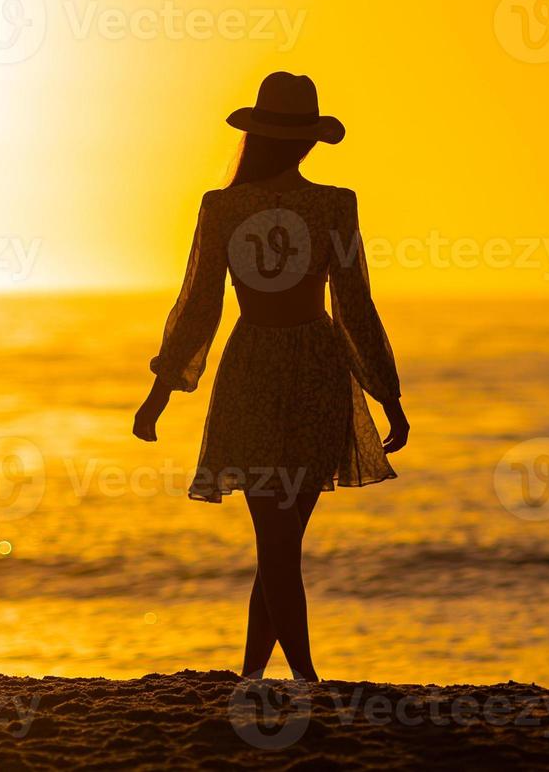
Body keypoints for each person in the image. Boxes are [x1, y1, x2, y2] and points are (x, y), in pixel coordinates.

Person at [132, 71, 410, 682]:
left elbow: (199, 307)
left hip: (252, 368)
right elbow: (355, 306)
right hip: (318, 370)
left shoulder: (223, 206)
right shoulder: (334, 203)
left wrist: (159, 394)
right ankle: (303, 680)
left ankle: (256, 678)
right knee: (281, 545)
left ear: (257, 135)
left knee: (276, 545)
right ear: (309, 142)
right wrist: (386, 396)